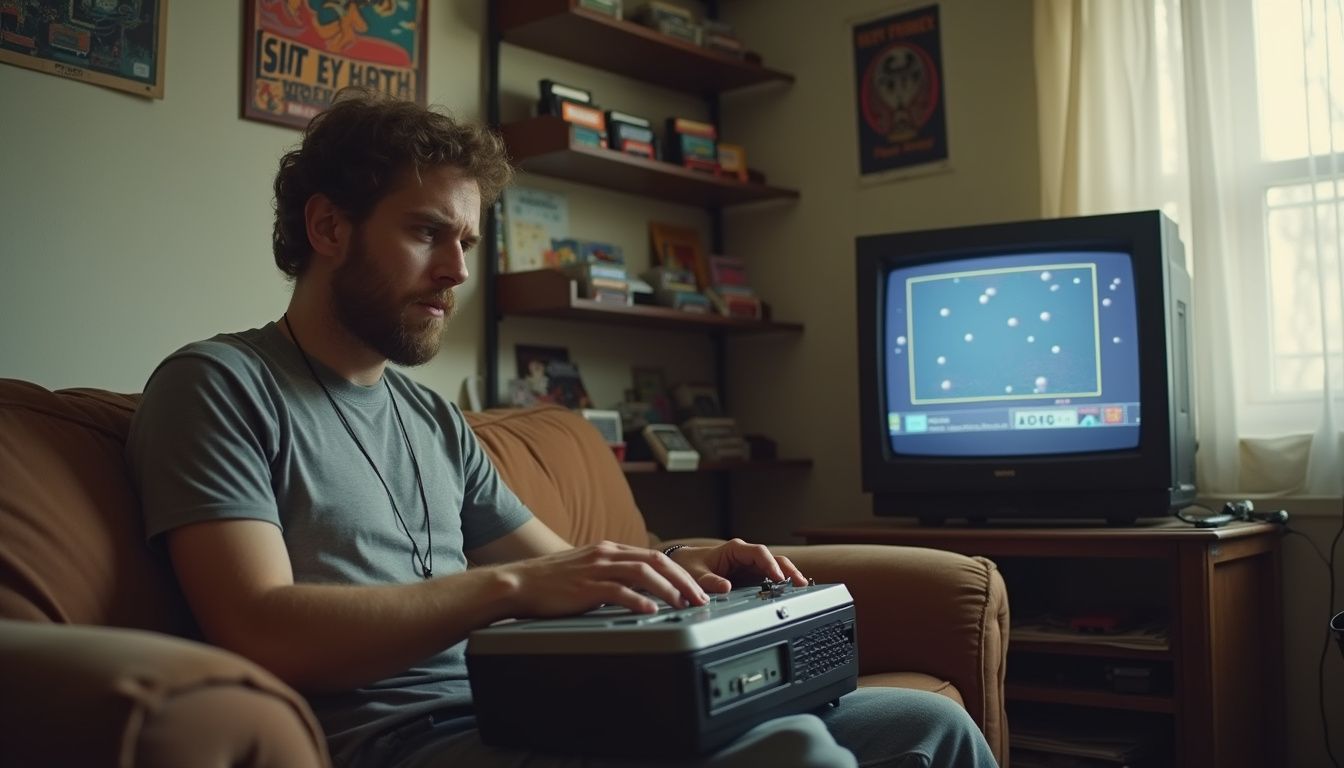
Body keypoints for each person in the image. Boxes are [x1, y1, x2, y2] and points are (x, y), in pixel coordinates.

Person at [126, 88, 996, 768]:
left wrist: (694, 565)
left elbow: (566, 570)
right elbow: (260, 626)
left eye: (467, 240)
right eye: (429, 233)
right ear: (327, 226)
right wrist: (505, 593)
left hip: (526, 713)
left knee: (927, 724)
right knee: (790, 754)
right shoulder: (220, 386)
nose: (456, 272)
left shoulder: (428, 417)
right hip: (398, 744)